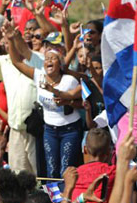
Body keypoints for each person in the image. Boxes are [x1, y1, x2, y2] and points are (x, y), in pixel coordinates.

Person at [8, 24, 82, 178]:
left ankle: (65, 199)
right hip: (49, 130)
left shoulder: (69, 80)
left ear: (60, 64)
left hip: (69, 130)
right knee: (51, 170)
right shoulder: (39, 76)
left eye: (53, 58)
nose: (48, 60)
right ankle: (52, 200)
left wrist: (66, 101)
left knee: (64, 169)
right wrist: (10, 40)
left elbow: (82, 104)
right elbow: (16, 62)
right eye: (46, 58)